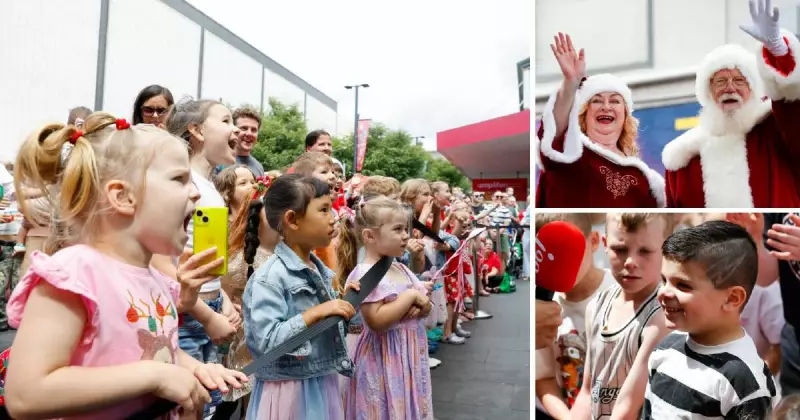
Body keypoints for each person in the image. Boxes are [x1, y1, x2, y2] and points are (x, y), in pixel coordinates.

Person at [5, 113, 246, 419]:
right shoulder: (75, 273)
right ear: (122, 196)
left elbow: (155, 348)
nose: (196, 192)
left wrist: (196, 369)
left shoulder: (155, 280)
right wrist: (155, 376)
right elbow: (27, 394)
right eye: (178, 179)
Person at [662, 0, 800, 207]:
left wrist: (779, 53)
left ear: (754, 89)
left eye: (739, 80)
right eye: (720, 81)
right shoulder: (683, 160)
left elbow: (793, 103)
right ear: (708, 92)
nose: (729, 88)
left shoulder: (776, 131)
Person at [242, 174, 357, 419]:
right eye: (324, 210)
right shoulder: (269, 278)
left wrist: (345, 305)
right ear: (293, 220)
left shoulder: (320, 270)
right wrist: (316, 313)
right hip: (289, 390)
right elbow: (267, 343)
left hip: (319, 379)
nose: (333, 217)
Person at [643, 221, 780, 418]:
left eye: (682, 285)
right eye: (664, 280)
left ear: (732, 298)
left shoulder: (746, 381)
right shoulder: (666, 348)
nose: (664, 293)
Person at [534, 33, 665, 208]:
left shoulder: (645, 178)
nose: (606, 106)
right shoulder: (572, 153)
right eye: (596, 100)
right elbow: (553, 134)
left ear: (625, 114)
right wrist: (571, 83)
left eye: (614, 101)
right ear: (584, 114)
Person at [570, 213, 670, 419]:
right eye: (620, 249)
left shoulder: (663, 318)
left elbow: (627, 408)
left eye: (645, 251)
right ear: (605, 244)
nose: (631, 261)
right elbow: (588, 391)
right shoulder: (596, 306)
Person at [343, 196, 434, 419]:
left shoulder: (401, 268)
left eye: (405, 228)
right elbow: (376, 321)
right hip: (383, 360)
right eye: (397, 229)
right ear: (370, 236)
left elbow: (426, 306)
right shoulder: (365, 273)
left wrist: (422, 305)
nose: (406, 235)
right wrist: (411, 296)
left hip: (408, 356)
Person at [535, 214, 617, 420]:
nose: (559, 260)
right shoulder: (541, 304)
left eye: (567, 248)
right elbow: (543, 377)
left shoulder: (622, 292)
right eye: (550, 250)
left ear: (595, 242)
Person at [232, 107, 265, 177]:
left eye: (253, 130)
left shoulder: (258, 167)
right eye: (244, 128)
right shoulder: (219, 164)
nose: (249, 133)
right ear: (233, 130)